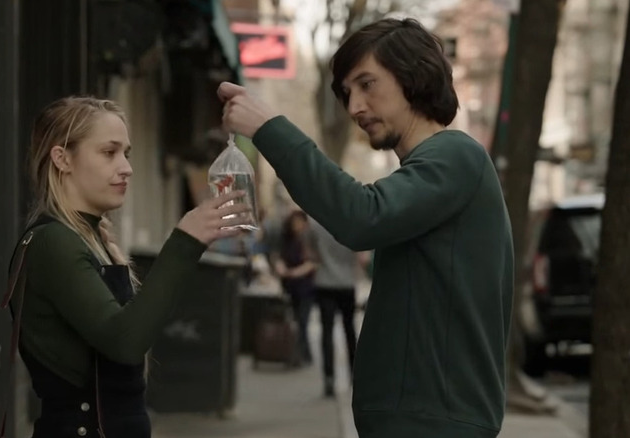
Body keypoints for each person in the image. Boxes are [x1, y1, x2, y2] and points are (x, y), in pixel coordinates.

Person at [219, 17, 514, 438]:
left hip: (433, 423)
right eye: (347, 93)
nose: (355, 106)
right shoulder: (432, 170)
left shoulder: (456, 155)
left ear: (413, 78)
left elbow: (360, 215)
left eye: (367, 84)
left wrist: (269, 128)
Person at [2, 96, 251, 438]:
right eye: (109, 152)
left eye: (127, 153)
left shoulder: (90, 238)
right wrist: (185, 241)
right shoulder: (53, 242)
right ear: (62, 159)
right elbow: (124, 341)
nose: (126, 167)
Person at [309, 217, 358, 398]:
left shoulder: (316, 225)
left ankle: (329, 378)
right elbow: (360, 255)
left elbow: (311, 254)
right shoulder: (350, 224)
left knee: (327, 332)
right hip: (347, 282)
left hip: (324, 282)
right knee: (349, 329)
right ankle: (354, 374)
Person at [275, 209, 317, 365]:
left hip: (306, 287)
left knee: (303, 321)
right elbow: (280, 257)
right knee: (295, 320)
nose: (297, 226)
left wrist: (294, 272)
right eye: (294, 223)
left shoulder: (309, 240)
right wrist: (281, 268)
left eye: (300, 222)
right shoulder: (287, 240)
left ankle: (301, 355)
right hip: (290, 286)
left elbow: (313, 262)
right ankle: (301, 352)